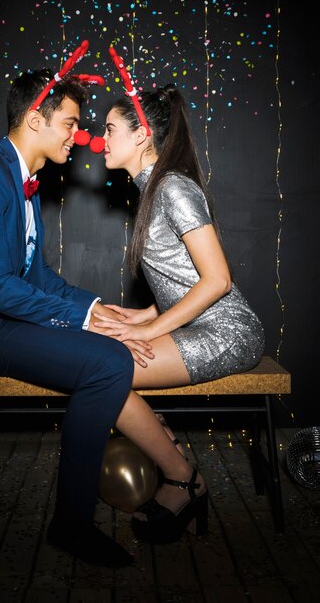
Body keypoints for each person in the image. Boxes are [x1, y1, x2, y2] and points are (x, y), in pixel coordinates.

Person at [0, 66, 205, 565]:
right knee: (107, 362)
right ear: (36, 120)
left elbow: (36, 278)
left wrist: (99, 312)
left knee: (108, 353)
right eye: (70, 123)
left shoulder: (24, 182)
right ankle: (72, 524)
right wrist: (90, 324)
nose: (78, 135)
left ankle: (91, 506)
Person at [92, 82, 265, 543]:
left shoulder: (173, 188)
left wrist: (149, 333)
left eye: (110, 129)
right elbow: (182, 277)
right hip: (199, 323)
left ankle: (182, 480)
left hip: (229, 331)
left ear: (142, 135)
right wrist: (139, 316)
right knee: (94, 361)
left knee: (101, 373)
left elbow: (217, 281)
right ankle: (178, 468)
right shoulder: (153, 189)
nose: (101, 139)